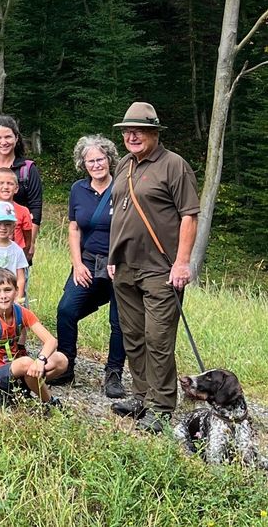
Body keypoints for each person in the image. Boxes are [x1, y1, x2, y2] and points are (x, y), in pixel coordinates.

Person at [107, 102, 198, 434]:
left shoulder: (174, 165)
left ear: (155, 133)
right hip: (125, 266)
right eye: (127, 131)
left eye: (139, 131)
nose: (132, 136)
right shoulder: (124, 165)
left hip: (161, 269)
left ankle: (161, 408)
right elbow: (120, 212)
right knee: (133, 336)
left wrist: (182, 262)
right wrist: (113, 257)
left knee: (158, 338)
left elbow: (189, 215)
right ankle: (142, 397)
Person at [51, 134, 126, 398]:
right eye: (90, 161)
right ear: (83, 164)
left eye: (100, 159)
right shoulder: (78, 189)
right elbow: (74, 228)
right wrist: (77, 263)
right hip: (88, 261)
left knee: (119, 321)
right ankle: (65, 365)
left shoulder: (123, 187)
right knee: (67, 310)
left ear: (109, 159)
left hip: (121, 264)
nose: (96, 165)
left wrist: (120, 259)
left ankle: (114, 374)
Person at [0, 267, 67, 407]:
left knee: (61, 360)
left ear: (16, 291)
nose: (3, 296)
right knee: (26, 362)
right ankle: (50, 403)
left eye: (7, 290)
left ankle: (25, 388)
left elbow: (51, 341)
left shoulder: (21, 312)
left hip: (17, 371)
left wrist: (40, 360)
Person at [0, 115, 45, 241]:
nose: (3, 142)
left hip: (18, 241)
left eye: (8, 137)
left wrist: (30, 243)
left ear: (16, 137)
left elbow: (36, 208)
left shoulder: (27, 169)